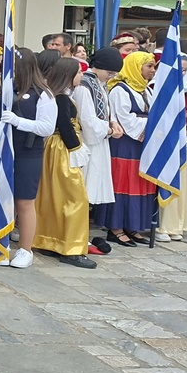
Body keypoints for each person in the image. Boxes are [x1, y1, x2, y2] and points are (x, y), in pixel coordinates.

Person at [33, 57, 96, 268]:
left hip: (55, 147)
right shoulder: (60, 98)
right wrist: (76, 148)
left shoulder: (58, 95)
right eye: (78, 72)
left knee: (54, 196)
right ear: (68, 75)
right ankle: (72, 248)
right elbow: (65, 126)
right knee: (74, 197)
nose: (81, 76)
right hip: (63, 148)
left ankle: (49, 240)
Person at [0, 48, 55, 269]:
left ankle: (25, 249)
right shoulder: (6, 90)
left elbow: (47, 128)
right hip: (3, 150)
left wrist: (18, 121)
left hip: (28, 152)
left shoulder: (43, 94)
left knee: (24, 201)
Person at [102, 51, 158, 244]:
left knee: (139, 184)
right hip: (124, 145)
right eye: (149, 66)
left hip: (142, 144)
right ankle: (116, 228)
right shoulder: (120, 90)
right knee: (123, 184)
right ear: (135, 67)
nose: (152, 70)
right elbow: (125, 120)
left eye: (153, 66)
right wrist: (152, 124)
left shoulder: (147, 89)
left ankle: (132, 225)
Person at [73, 48, 124, 242]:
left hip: (99, 142)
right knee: (82, 189)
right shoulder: (84, 86)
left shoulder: (100, 84)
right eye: (109, 73)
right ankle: (77, 234)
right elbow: (87, 120)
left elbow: (105, 112)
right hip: (87, 144)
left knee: (89, 191)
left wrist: (112, 123)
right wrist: (108, 130)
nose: (111, 77)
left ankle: (81, 233)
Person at [157, 53, 187, 240]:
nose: (182, 73)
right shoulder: (156, 88)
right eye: (179, 70)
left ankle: (176, 225)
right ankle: (161, 225)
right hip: (162, 146)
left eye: (185, 70)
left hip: (182, 146)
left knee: (180, 185)